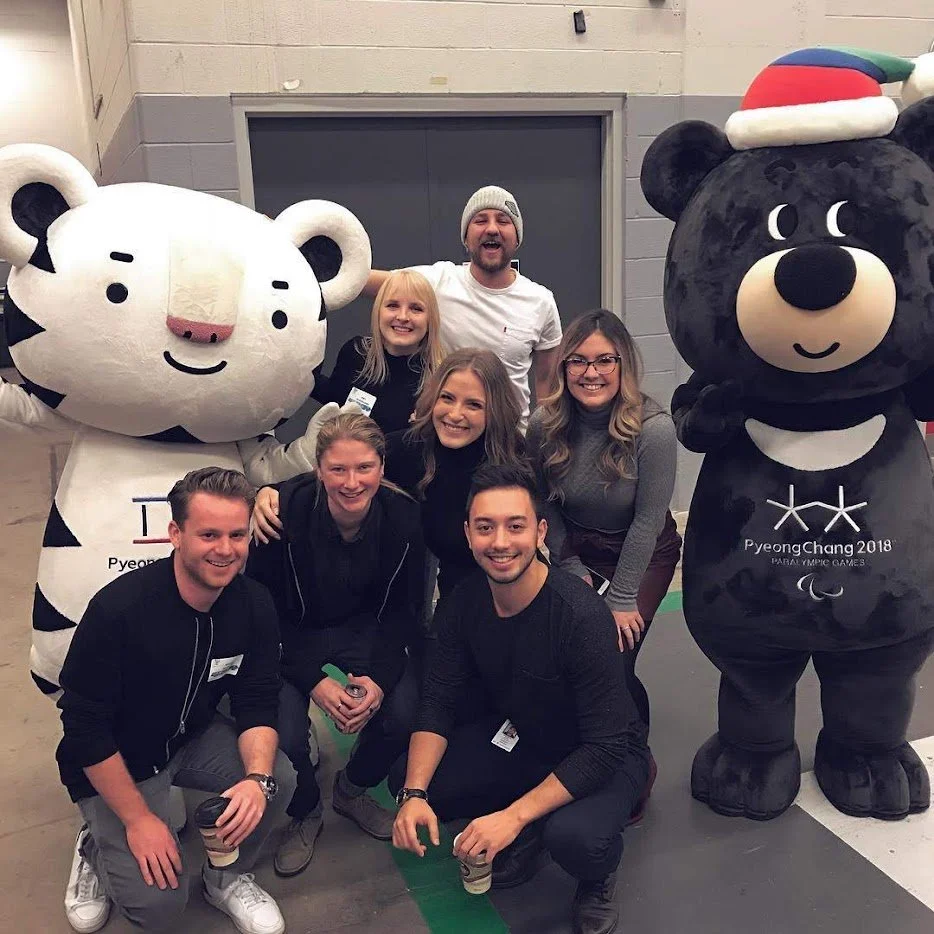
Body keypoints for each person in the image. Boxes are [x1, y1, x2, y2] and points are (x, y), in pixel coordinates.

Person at [390, 464, 649, 934]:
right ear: (468, 535)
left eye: (515, 526)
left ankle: (593, 873)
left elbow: (606, 745)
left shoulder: (579, 615)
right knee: (413, 781)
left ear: (540, 532)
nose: (500, 542)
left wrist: (511, 817)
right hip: (526, 737)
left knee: (576, 838)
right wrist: (414, 794)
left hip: (606, 752)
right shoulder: (464, 602)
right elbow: (439, 699)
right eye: (485, 527)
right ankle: (533, 820)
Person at [56, 467, 295, 934]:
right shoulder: (118, 611)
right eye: (208, 534)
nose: (225, 549)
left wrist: (256, 779)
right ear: (175, 534)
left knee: (278, 777)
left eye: (236, 535)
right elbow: (84, 728)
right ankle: (94, 845)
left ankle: (224, 877)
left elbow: (258, 698)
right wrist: (137, 820)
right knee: (159, 908)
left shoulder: (254, 604)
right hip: (121, 759)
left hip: (191, 738)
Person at [246, 413, 425, 878]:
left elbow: (402, 612)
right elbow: (262, 613)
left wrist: (379, 681)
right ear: (318, 470)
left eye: (364, 468)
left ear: (382, 467)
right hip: (292, 633)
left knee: (404, 715)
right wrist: (313, 681)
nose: (351, 482)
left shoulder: (404, 518)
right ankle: (305, 810)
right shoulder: (280, 515)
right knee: (284, 736)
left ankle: (352, 788)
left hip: (366, 632)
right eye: (338, 469)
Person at [528, 310, 680, 796]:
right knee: (570, 655)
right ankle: (586, 746)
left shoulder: (654, 430)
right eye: (578, 361)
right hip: (575, 547)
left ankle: (634, 760)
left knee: (614, 657)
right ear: (563, 367)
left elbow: (647, 521)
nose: (590, 372)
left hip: (641, 552)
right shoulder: (544, 425)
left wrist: (621, 597)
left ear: (623, 364)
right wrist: (571, 568)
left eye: (604, 360)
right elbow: (543, 506)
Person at [364, 185, 563, 425]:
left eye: (503, 221)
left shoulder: (541, 301)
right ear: (466, 239)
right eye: (481, 220)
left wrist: (544, 439)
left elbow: (547, 384)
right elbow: (361, 280)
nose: (492, 229)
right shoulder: (439, 281)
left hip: (510, 439)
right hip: (449, 430)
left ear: (517, 238)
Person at [385, 348, 525, 601]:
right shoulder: (405, 448)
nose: (455, 414)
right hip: (452, 592)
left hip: (511, 592)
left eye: (474, 405)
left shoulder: (514, 458)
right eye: (447, 398)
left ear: (494, 411)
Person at [312, 269, 446, 433]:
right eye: (393, 306)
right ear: (378, 311)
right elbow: (333, 397)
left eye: (416, 308)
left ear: (430, 318)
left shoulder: (440, 380)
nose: (403, 316)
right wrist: (297, 374)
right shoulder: (356, 352)